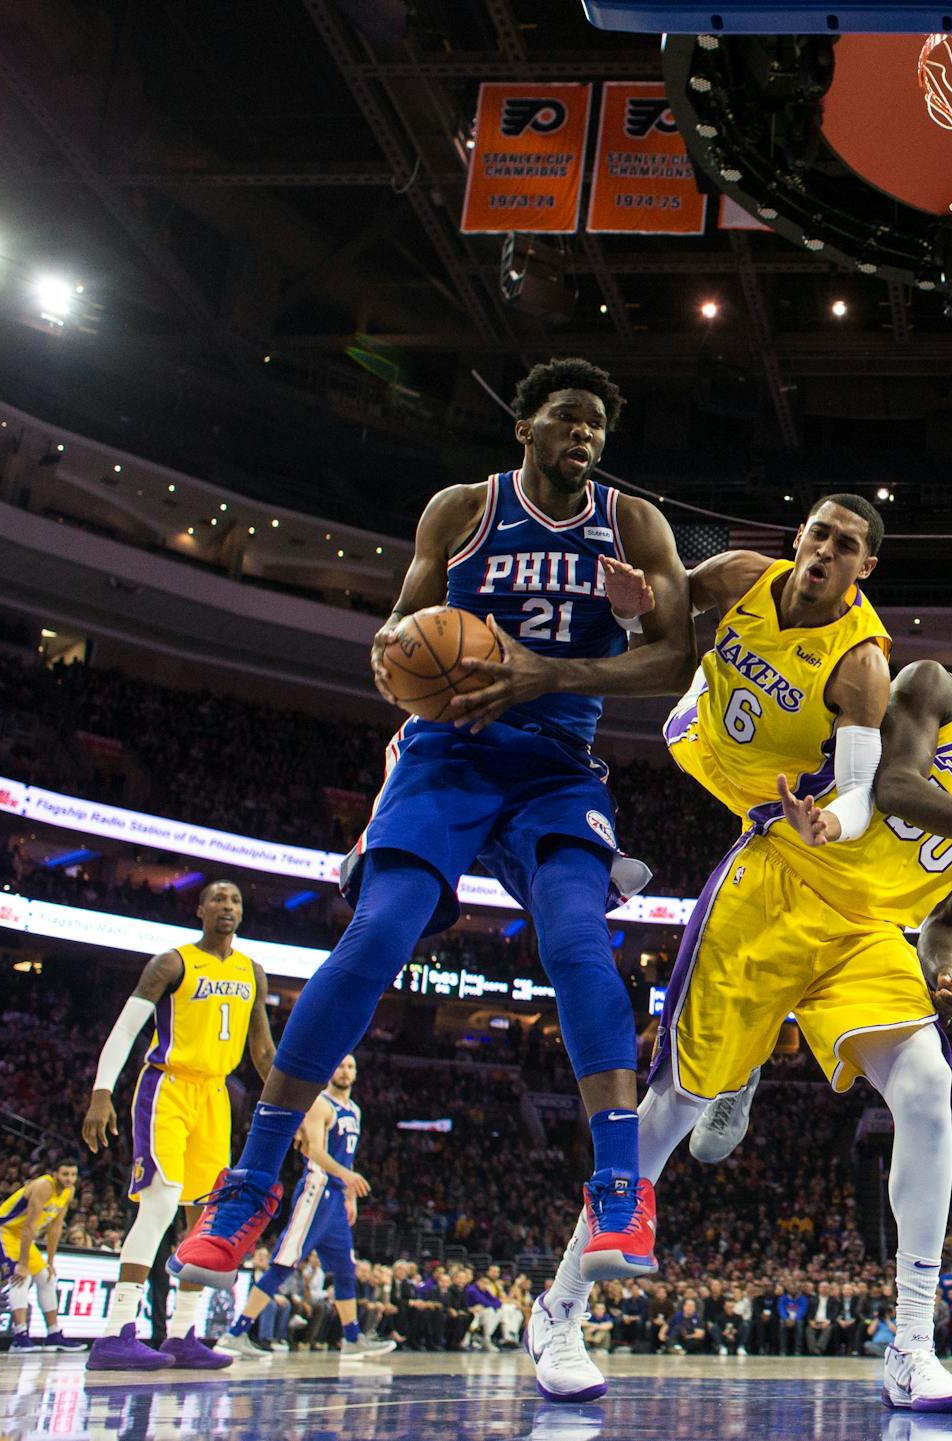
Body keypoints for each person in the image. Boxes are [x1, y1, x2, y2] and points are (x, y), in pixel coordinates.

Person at [173, 359, 692, 1293]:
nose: (584, 437)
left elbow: (673, 664)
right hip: (445, 753)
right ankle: (249, 1182)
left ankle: (620, 1182)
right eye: (566, 419)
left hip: (554, 762)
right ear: (526, 428)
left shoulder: (634, 523)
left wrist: (581, 652)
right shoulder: (461, 509)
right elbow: (398, 631)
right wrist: (403, 654)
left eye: (597, 427)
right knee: (375, 935)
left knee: (577, 942)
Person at [523, 623, 952, 1412]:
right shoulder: (935, 688)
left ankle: (911, 1344)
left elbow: (949, 924)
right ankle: (559, 1308)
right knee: (669, 1113)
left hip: (866, 938)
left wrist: (946, 968)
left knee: (928, 1084)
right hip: (781, 886)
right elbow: (895, 787)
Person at [456, 492, 897, 1172]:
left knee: (760, 937)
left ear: (864, 565)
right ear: (800, 536)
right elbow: (657, 622)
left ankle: (738, 1063)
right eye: (819, 534)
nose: (825, 551)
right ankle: (592, 852)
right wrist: (635, 604)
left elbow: (864, 789)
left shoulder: (862, 665)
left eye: (844, 546)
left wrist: (830, 820)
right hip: (697, 744)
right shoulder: (744, 574)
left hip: (776, 800)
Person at [81, 879, 274, 1370]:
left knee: (204, 1219)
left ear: (242, 913)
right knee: (162, 1202)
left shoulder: (253, 971)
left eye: (235, 900)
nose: (227, 906)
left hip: (216, 1095)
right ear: (199, 908)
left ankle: (183, 1335)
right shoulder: (173, 961)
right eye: (218, 899)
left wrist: (291, 1110)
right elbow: (126, 1028)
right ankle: (115, 1333)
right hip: (167, 1087)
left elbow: (263, 1051)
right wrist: (102, 1092)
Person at [218, 1055, 394, 1359]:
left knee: (345, 1270)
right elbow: (314, 1150)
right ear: (331, 1070)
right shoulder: (320, 1104)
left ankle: (352, 1339)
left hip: (337, 1197)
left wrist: (349, 1194)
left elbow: (347, 1157)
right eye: (340, 1065)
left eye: (351, 1066)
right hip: (316, 1189)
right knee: (285, 1263)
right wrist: (347, 1177)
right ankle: (235, 1334)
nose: (345, 1071)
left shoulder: (355, 1110)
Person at [0, 1161, 84, 1351]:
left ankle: (54, 1334)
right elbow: (30, 1225)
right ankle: (19, 1336)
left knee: (47, 1277)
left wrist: (51, 1261)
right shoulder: (42, 1186)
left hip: (22, 1237)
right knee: (21, 1276)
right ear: (55, 1173)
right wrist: (22, 1263)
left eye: (73, 1174)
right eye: (65, 1174)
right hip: (2, 1231)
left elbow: (55, 1228)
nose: (69, 1179)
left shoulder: (68, 1191)